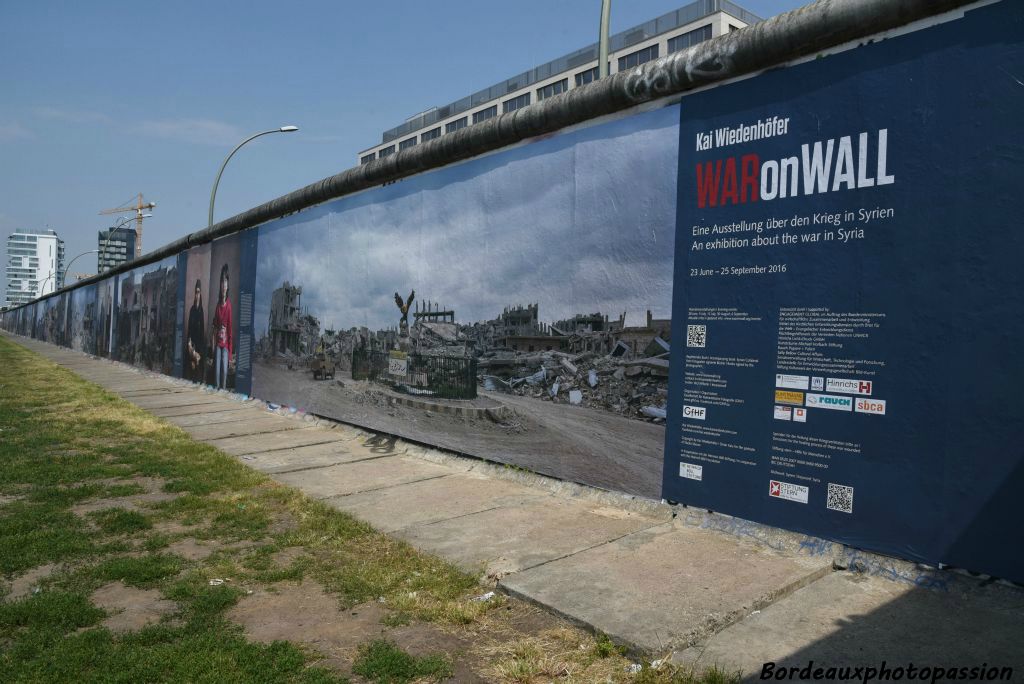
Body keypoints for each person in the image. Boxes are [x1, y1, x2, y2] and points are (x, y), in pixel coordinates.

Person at [212, 264, 233, 389]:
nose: (224, 285)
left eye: (226, 282)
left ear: (228, 284)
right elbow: (214, 327)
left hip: (225, 346)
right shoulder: (217, 305)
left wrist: (230, 354)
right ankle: (216, 394)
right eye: (222, 282)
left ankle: (223, 392)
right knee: (217, 372)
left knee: (224, 372)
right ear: (220, 285)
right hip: (217, 345)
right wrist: (213, 345)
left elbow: (230, 331)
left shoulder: (229, 306)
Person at [185, 279, 205, 383]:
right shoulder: (192, 310)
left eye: (198, 292)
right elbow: (189, 329)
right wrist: (189, 344)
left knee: (198, 370)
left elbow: (202, 333)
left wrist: (199, 352)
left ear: (200, 294)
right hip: (191, 345)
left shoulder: (201, 311)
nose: (197, 295)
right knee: (190, 369)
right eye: (196, 292)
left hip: (199, 347)